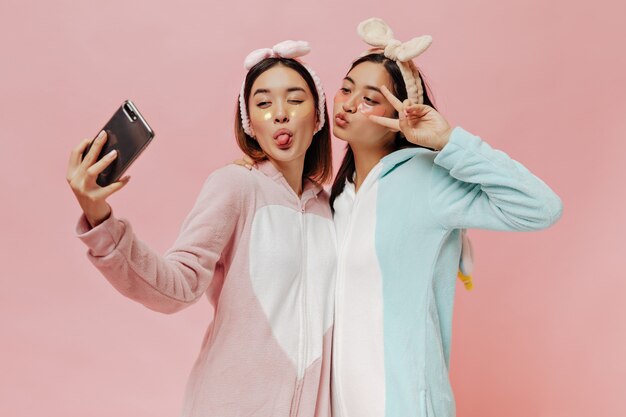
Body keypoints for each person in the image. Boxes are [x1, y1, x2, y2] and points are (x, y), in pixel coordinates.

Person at [66, 40, 336, 417]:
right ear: (249, 123)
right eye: (262, 103)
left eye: (294, 99)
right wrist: (100, 220)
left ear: (319, 115)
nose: (279, 114)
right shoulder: (236, 186)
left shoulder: (331, 209)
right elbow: (176, 286)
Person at [327, 18, 563, 417]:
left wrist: (450, 142)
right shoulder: (339, 197)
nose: (348, 104)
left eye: (369, 98)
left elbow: (540, 207)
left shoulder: (425, 177)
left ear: (399, 113)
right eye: (346, 89)